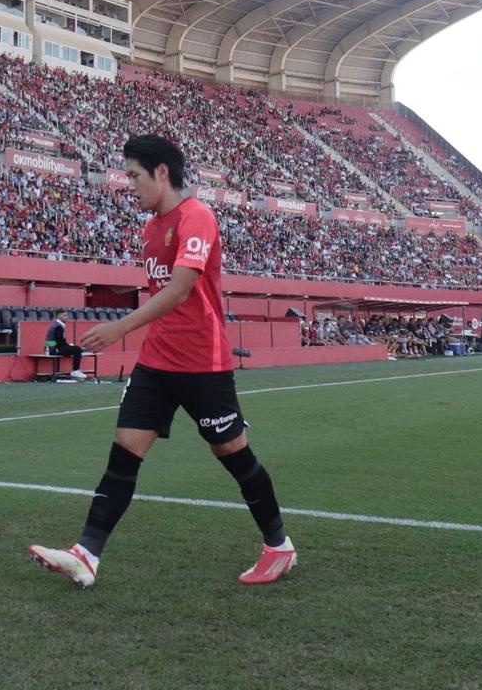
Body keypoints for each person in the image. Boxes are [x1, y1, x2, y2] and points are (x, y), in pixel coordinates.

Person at [28, 135, 294, 589]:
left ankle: (279, 547)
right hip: (157, 364)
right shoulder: (152, 226)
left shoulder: (198, 217)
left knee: (233, 454)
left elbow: (179, 290)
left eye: (134, 175)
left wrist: (119, 328)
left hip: (203, 363)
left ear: (162, 173)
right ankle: (86, 554)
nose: (129, 185)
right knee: (123, 454)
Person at [45, 313, 86, 379]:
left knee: (74, 348)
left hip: (52, 348)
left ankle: (75, 370)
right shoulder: (58, 327)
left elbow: (60, 342)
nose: (67, 317)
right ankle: (75, 370)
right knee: (77, 349)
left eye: (67, 315)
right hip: (53, 349)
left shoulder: (56, 325)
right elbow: (60, 342)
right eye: (64, 315)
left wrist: (68, 346)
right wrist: (69, 346)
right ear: (58, 316)